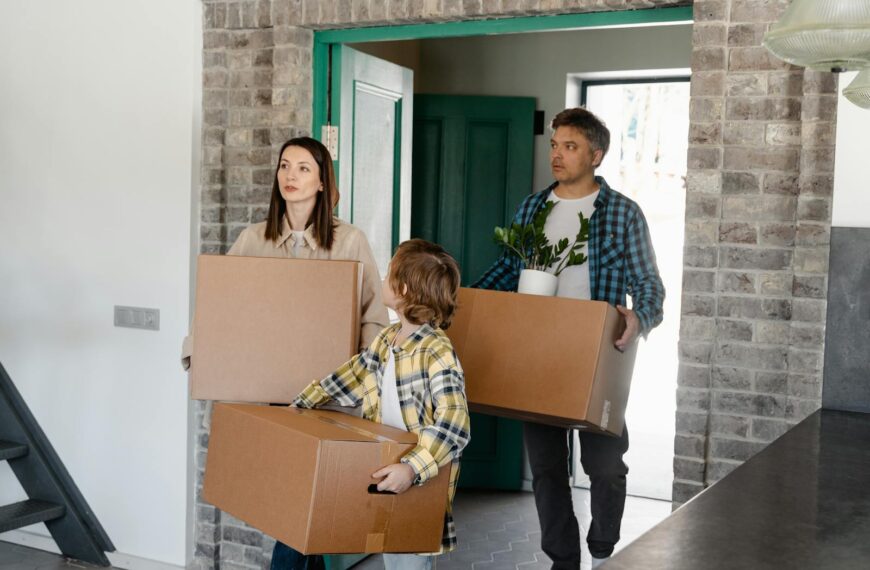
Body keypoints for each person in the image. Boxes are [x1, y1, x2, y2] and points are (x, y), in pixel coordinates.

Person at [472, 107, 665, 568]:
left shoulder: (622, 213)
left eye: (570, 146)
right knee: (546, 470)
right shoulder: (532, 208)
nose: (557, 155)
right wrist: (468, 301)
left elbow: (648, 284)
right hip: (538, 354)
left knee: (605, 467)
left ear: (596, 155)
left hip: (597, 354)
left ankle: (603, 546)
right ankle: (562, 559)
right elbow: (507, 270)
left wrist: (640, 319)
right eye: (554, 145)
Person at [274, 239, 471, 570]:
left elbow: (455, 423)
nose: (382, 279)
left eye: (388, 272)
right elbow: (352, 375)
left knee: (408, 562)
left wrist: (412, 468)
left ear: (403, 289)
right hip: (387, 465)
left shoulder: (437, 351)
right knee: (390, 555)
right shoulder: (387, 338)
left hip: (420, 479)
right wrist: (303, 404)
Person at [181, 136, 389, 368]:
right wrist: (196, 349)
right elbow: (216, 299)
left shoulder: (351, 240)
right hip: (260, 373)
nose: (290, 175)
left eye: (303, 168)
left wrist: (364, 369)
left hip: (329, 381)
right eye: (284, 166)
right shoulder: (252, 239)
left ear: (322, 182)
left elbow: (373, 316)